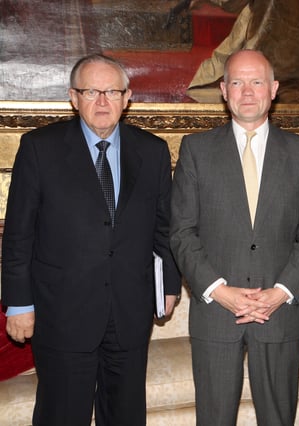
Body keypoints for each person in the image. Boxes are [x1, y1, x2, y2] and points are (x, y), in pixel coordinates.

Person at [1, 53, 181, 426]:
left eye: (112, 91)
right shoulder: (39, 148)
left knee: (126, 416)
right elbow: (19, 234)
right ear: (72, 96)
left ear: (127, 97)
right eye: (91, 91)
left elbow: (165, 228)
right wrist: (18, 304)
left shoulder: (153, 151)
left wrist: (169, 285)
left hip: (130, 313)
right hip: (62, 314)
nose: (102, 101)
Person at [170, 49, 299, 425]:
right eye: (237, 82)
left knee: (277, 419)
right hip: (215, 315)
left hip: (279, 314)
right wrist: (221, 292)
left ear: (273, 89)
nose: (248, 91)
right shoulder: (196, 149)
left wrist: (281, 292)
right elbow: (181, 232)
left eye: (257, 82)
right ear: (223, 90)